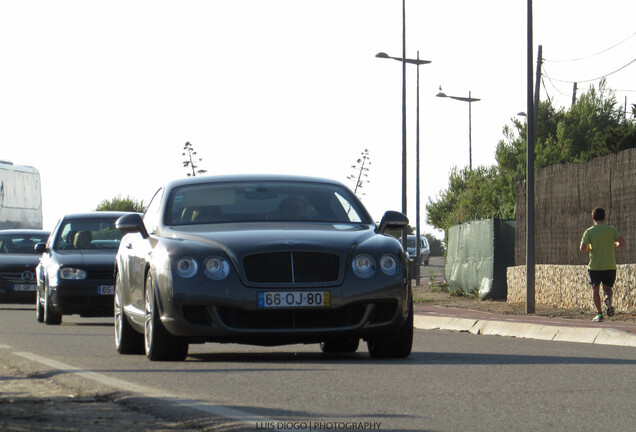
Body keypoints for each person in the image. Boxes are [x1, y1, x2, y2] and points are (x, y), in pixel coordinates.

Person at [579, 208, 626, 322]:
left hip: (595, 266)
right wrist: (614, 245)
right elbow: (622, 242)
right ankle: (608, 299)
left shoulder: (589, 232)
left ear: (593, 218)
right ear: (604, 217)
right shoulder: (611, 230)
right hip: (609, 265)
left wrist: (590, 247)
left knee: (595, 290)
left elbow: (582, 248)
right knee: (607, 288)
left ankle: (599, 314)